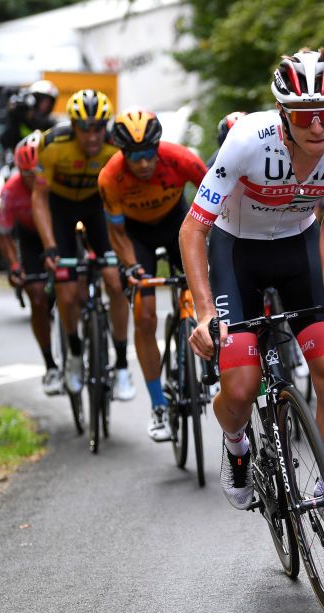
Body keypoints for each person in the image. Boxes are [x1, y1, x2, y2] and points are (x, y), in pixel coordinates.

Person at [182, 48, 324, 541]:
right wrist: (204, 314)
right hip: (235, 253)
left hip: (299, 250)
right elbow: (193, 230)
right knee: (241, 389)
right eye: (306, 115)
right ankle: (236, 442)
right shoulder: (247, 141)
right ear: (283, 115)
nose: (318, 126)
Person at [99, 109, 208, 440]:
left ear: (158, 147)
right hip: (136, 237)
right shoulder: (110, 177)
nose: (143, 163)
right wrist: (131, 267)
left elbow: (216, 196)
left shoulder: (181, 159)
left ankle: (210, 357)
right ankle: (159, 405)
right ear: (122, 153)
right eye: (134, 156)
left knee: (204, 289)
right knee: (144, 317)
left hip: (177, 223)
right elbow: (116, 235)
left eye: (149, 154)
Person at [32, 89, 135, 401]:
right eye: (85, 128)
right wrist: (50, 246)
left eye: (98, 127)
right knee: (66, 289)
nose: (92, 136)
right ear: (73, 126)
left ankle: (120, 365)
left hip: (97, 208)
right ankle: (75, 354)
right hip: (61, 211)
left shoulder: (115, 145)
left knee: (116, 284)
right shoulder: (52, 145)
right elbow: (39, 198)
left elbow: (127, 194)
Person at [0, 132, 63, 395]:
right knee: (36, 297)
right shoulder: (10, 192)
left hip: (60, 232)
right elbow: (4, 235)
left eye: (37, 173)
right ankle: (50, 365)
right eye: (27, 174)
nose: (34, 180)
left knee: (76, 289)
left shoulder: (58, 181)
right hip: (31, 238)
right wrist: (14, 266)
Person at [0, 80, 60, 151]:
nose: (46, 105)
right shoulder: (19, 116)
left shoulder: (51, 123)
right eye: (44, 100)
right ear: (35, 99)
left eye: (49, 102)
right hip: (18, 159)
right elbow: (5, 141)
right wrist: (13, 114)